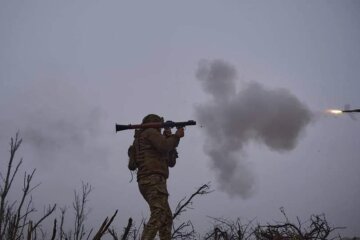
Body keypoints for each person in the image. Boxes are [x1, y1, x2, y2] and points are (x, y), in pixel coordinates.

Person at [128, 114, 184, 240]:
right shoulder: (150, 132)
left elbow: (171, 162)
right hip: (153, 179)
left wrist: (171, 139)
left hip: (148, 181)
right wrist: (176, 136)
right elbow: (164, 146)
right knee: (158, 214)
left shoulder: (143, 137)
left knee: (166, 216)